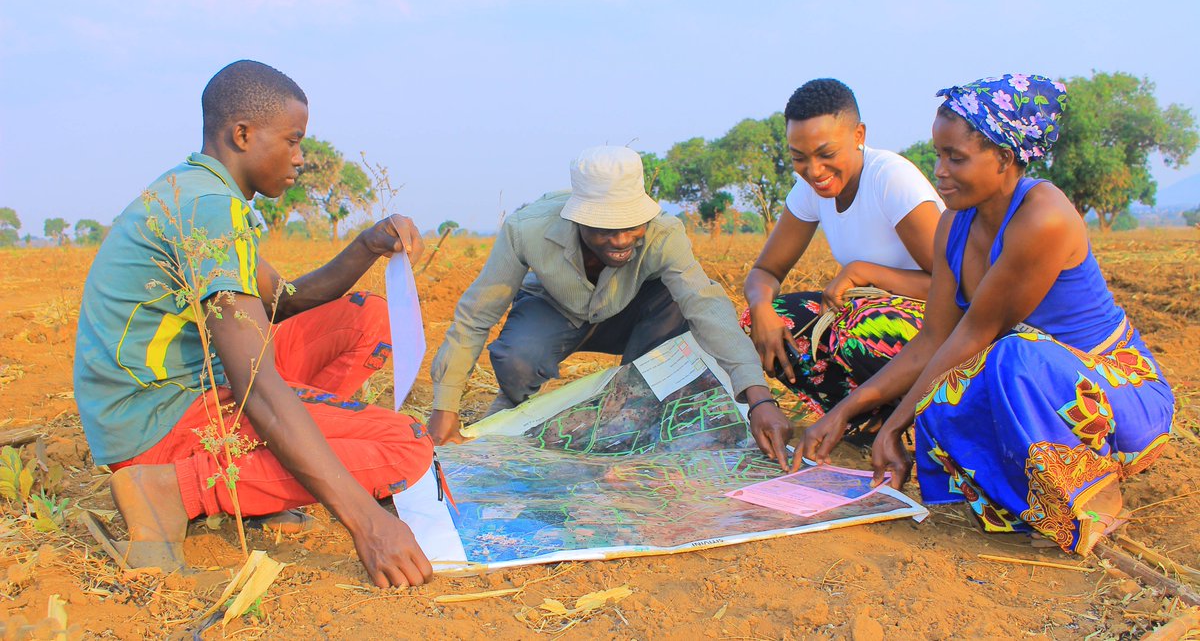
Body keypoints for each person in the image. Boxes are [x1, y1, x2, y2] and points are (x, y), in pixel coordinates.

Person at [74, 60, 436, 587]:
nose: (300, 158)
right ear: (242, 134)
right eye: (293, 141)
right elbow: (256, 385)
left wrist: (364, 246)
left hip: (191, 390)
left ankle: (274, 468)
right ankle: (172, 489)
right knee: (407, 445)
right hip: (157, 423)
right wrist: (367, 522)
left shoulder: (200, 191)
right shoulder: (209, 207)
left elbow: (283, 302)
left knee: (367, 319)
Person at [800, 74, 1175, 555]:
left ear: (1005, 158)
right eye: (937, 155)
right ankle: (1025, 498)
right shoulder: (954, 224)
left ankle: (1095, 493)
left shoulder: (1044, 216)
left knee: (1006, 357)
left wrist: (894, 424)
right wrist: (844, 411)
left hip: (1118, 394)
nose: (939, 172)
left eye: (956, 158)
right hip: (1034, 385)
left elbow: (977, 333)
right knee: (952, 386)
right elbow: (934, 339)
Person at [426, 145, 796, 467]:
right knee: (518, 357)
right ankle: (511, 410)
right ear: (576, 217)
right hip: (554, 310)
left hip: (629, 315)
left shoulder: (664, 233)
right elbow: (476, 315)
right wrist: (445, 408)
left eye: (631, 225)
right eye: (604, 228)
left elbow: (707, 306)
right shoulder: (527, 230)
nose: (620, 240)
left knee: (677, 303)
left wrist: (758, 397)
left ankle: (636, 408)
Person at [743, 79, 944, 442]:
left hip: (940, 331)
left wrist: (864, 273)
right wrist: (760, 307)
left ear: (858, 134)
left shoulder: (890, 179)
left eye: (826, 153)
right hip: (875, 315)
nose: (814, 170)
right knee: (766, 322)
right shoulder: (810, 190)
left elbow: (957, 289)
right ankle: (861, 426)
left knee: (857, 327)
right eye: (799, 158)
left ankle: (920, 423)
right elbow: (766, 271)